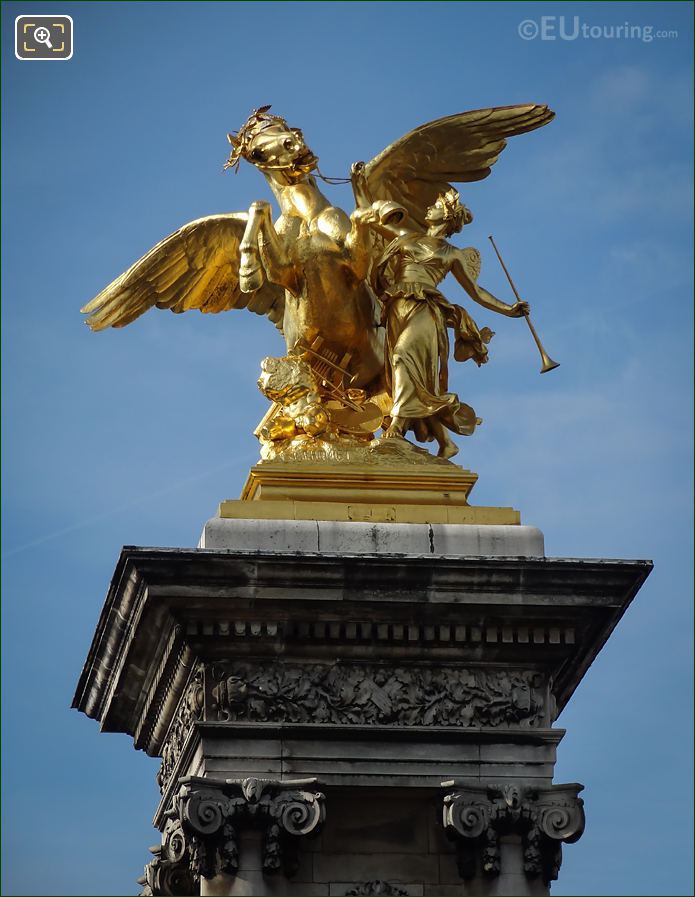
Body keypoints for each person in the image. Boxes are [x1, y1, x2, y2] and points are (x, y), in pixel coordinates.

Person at [355, 189, 529, 459]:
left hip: (426, 308)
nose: (428, 209)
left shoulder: (452, 254)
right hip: (396, 307)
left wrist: (508, 309)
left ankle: (398, 427)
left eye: (435, 206)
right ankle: (445, 442)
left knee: (402, 357)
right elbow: (371, 217)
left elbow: (476, 292)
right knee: (414, 377)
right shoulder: (406, 237)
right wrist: (360, 184)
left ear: (446, 215)